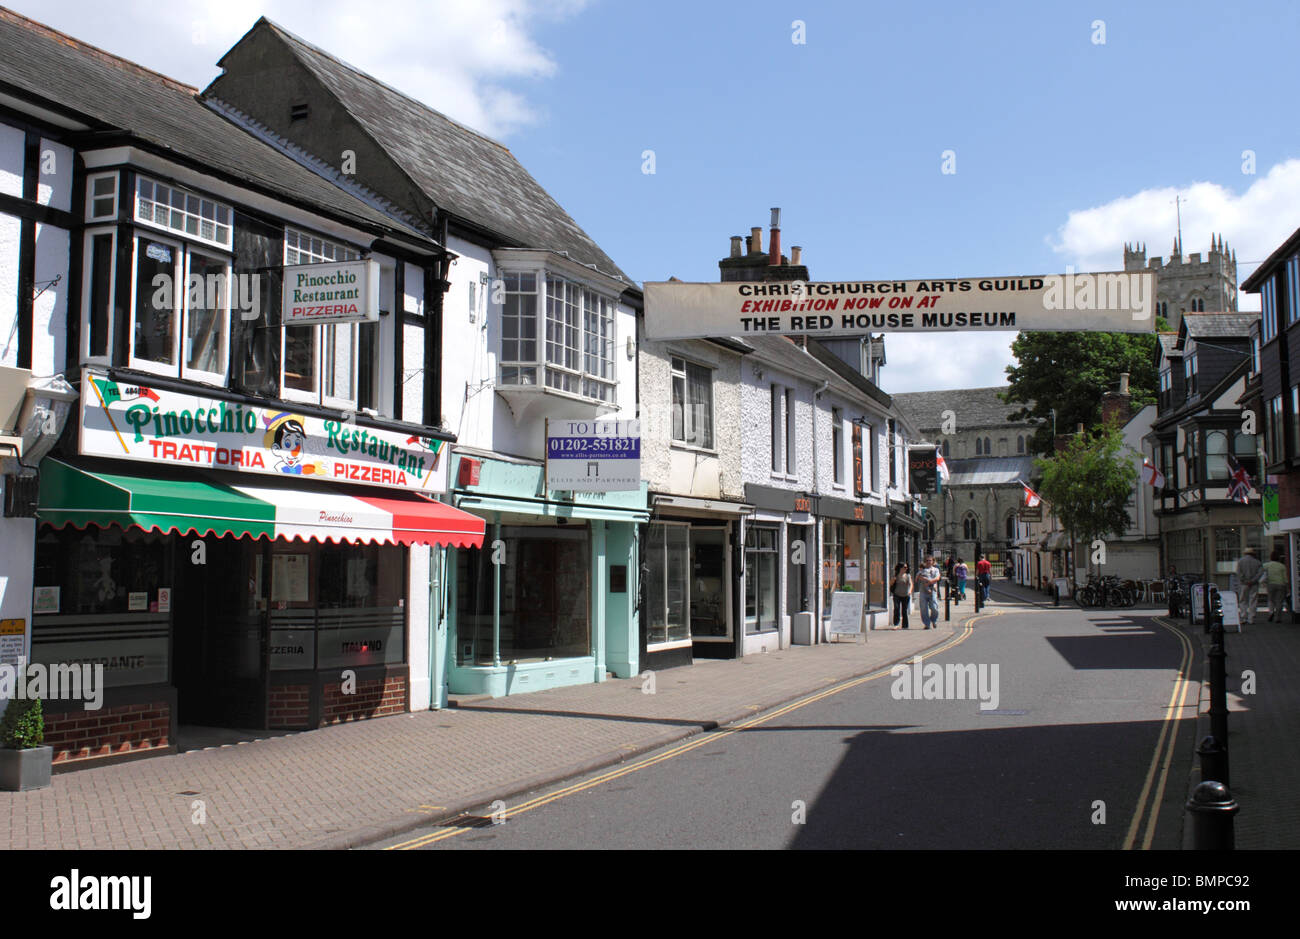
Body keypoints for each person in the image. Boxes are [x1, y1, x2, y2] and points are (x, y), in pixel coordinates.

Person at [1234, 549, 1262, 626]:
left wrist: (1244, 580)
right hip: (1254, 584)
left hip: (1243, 584)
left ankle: (1243, 617)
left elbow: (1238, 572)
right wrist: (1253, 580)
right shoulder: (1257, 562)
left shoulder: (1240, 561)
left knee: (1243, 600)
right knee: (1253, 600)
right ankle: (1251, 618)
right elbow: (1260, 573)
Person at [1263, 551, 1289, 623]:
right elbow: (1285, 578)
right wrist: (1287, 587)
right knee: (1279, 601)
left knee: (1270, 600)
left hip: (1270, 584)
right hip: (1281, 584)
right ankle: (1278, 617)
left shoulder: (1266, 565)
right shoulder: (1282, 566)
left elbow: (1262, 572)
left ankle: (1271, 612)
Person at [917, 555, 941, 629]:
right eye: (927, 560)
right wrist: (926, 580)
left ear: (933, 561)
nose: (928, 562)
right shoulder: (922, 570)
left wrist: (930, 582)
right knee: (923, 608)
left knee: (934, 607)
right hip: (923, 591)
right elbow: (918, 577)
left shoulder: (936, 570)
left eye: (930, 560)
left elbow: (937, 578)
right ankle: (927, 624)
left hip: (932, 590)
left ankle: (934, 620)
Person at [890, 562, 912, 629]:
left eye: (906, 567)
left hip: (905, 595)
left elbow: (911, 584)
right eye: (904, 567)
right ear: (900, 568)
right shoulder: (896, 575)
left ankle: (905, 625)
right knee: (896, 608)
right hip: (897, 594)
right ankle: (896, 624)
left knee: (904, 610)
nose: (906, 568)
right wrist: (893, 580)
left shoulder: (907, 576)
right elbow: (890, 584)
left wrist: (910, 591)